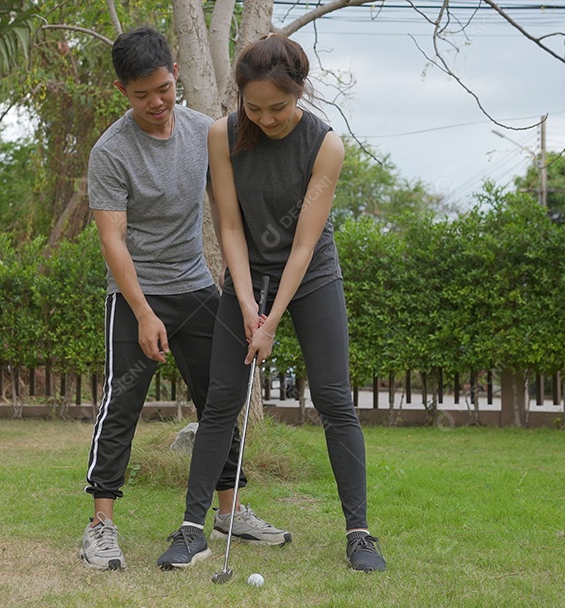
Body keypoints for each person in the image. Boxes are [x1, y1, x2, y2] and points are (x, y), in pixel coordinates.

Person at [157, 33, 387, 573]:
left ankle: (359, 534)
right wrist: (242, 302)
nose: (265, 118)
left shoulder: (326, 145)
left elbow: (305, 242)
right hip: (246, 275)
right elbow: (230, 225)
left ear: (299, 92)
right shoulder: (223, 134)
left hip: (311, 279)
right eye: (253, 107)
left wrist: (271, 322)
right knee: (219, 404)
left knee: (335, 402)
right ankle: (194, 530)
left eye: (278, 107)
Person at [81, 27, 290, 572]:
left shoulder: (206, 132)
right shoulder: (111, 152)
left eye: (162, 89)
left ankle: (229, 511)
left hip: (196, 287)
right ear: (122, 92)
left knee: (217, 401)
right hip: (135, 294)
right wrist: (145, 312)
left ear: (175, 74)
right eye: (140, 94)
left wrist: (244, 296)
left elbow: (232, 211)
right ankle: (101, 526)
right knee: (121, 404)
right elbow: (112, 241)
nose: (155, 103)